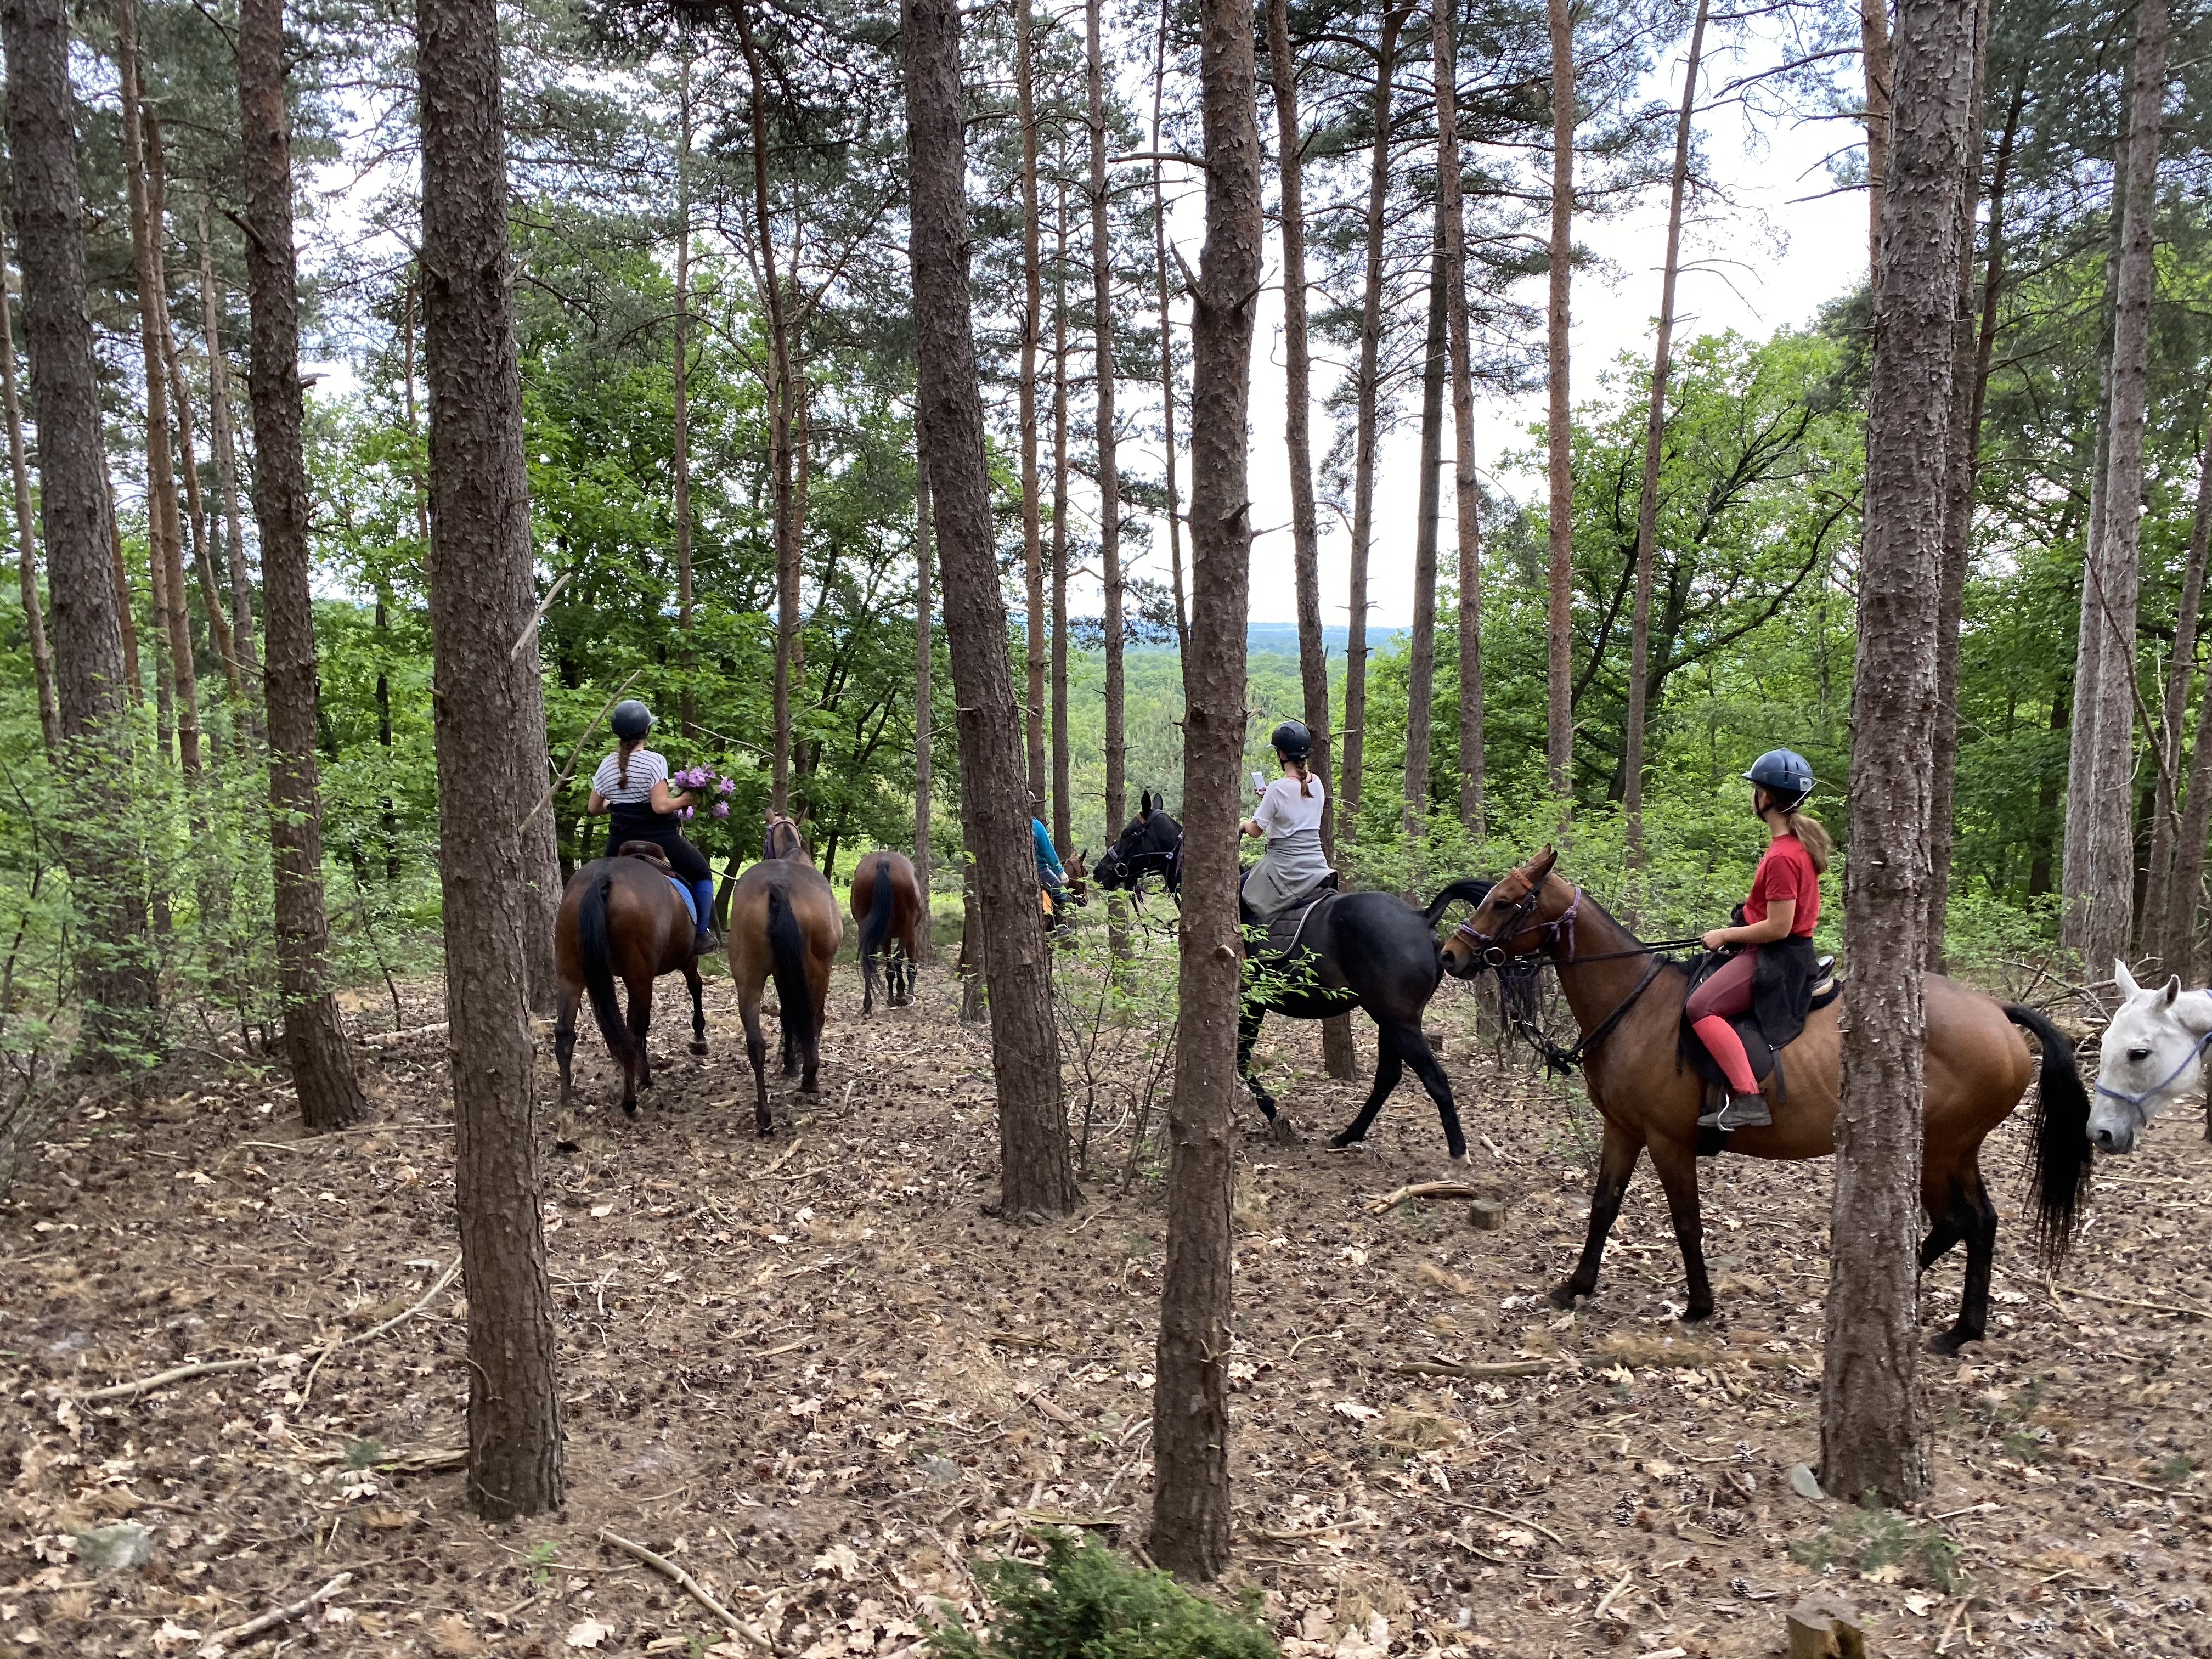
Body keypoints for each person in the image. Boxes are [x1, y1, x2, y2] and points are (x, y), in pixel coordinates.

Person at [1686, 748, 1832, 1131]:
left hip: (1778, 957)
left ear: (1765, 797)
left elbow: (1779, 927)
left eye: (1755, 789)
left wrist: (1725, 934)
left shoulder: (1784, 856)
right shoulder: (1793, 847)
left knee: (1701, 1007)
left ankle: (1749, 1098)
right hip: (1776, 950)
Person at [586, 699, 718, 954]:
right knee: (702, 873)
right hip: (660, 838)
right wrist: (685, 800)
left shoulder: (606, 765)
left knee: (599, 884)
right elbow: (659, 807)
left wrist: (618, 805)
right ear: (646, 731)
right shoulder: (655, 761)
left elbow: (593, 808)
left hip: (619, 841)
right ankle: (700, 936)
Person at [1239, 720, 1335, 926]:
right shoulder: (1317, 783)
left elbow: (1255, 831)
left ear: (1281, 755)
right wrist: (1268, 801)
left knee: (1237, 893)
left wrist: (1243, 825)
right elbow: (1301, 813)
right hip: (1317, 865)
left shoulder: (1278, 788)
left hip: (1286, 867)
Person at [1032, 798, 1070, 915]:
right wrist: (1060, 872)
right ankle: (1061, 928)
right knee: (1062, 895)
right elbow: (1048, 851)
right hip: (1041, 870)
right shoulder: (1037, 826)